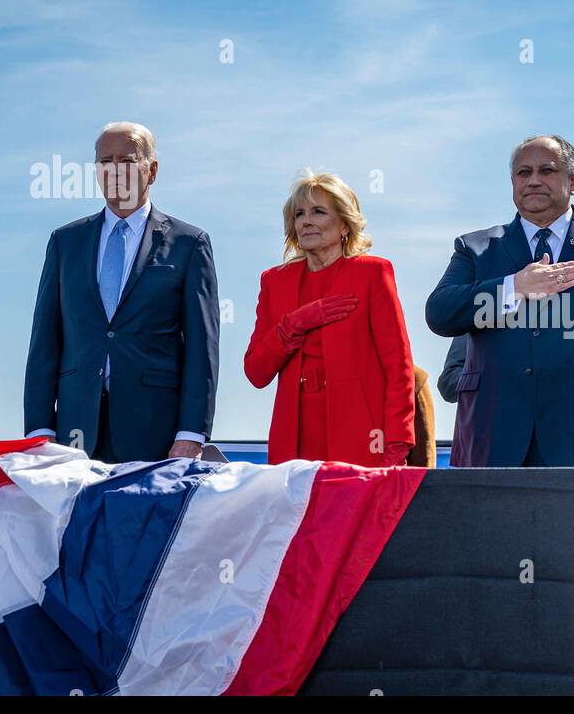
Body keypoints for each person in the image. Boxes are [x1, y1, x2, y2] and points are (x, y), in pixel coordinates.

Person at [425, 134, 574, 687]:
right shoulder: (477, 249)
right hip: (497, 444)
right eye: (522, 172)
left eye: (546, 170)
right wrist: (514, 287)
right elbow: (440, 313)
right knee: (496, 585)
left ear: (573, 181)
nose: (533, 180)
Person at [24, 122, 219, 463]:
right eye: (105, 161)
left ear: (152, 170)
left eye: (126, 161)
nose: (114, 170)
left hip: (156, 433)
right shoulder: (64, 243)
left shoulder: (190, 245)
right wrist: (40, 431)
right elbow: (44, 341)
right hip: (74, 434)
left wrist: (191, 434)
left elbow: (202, 349)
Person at [244, 171, 415, 467]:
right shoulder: (274, 281)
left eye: (318, 211)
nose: (306, 221)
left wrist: (397, 443)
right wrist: (295, 323)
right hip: (292, 443)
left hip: (362, 437)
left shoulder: (373, 273)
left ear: (345, 224)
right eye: (299, 214)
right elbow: (256, 371)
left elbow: (398, 367)